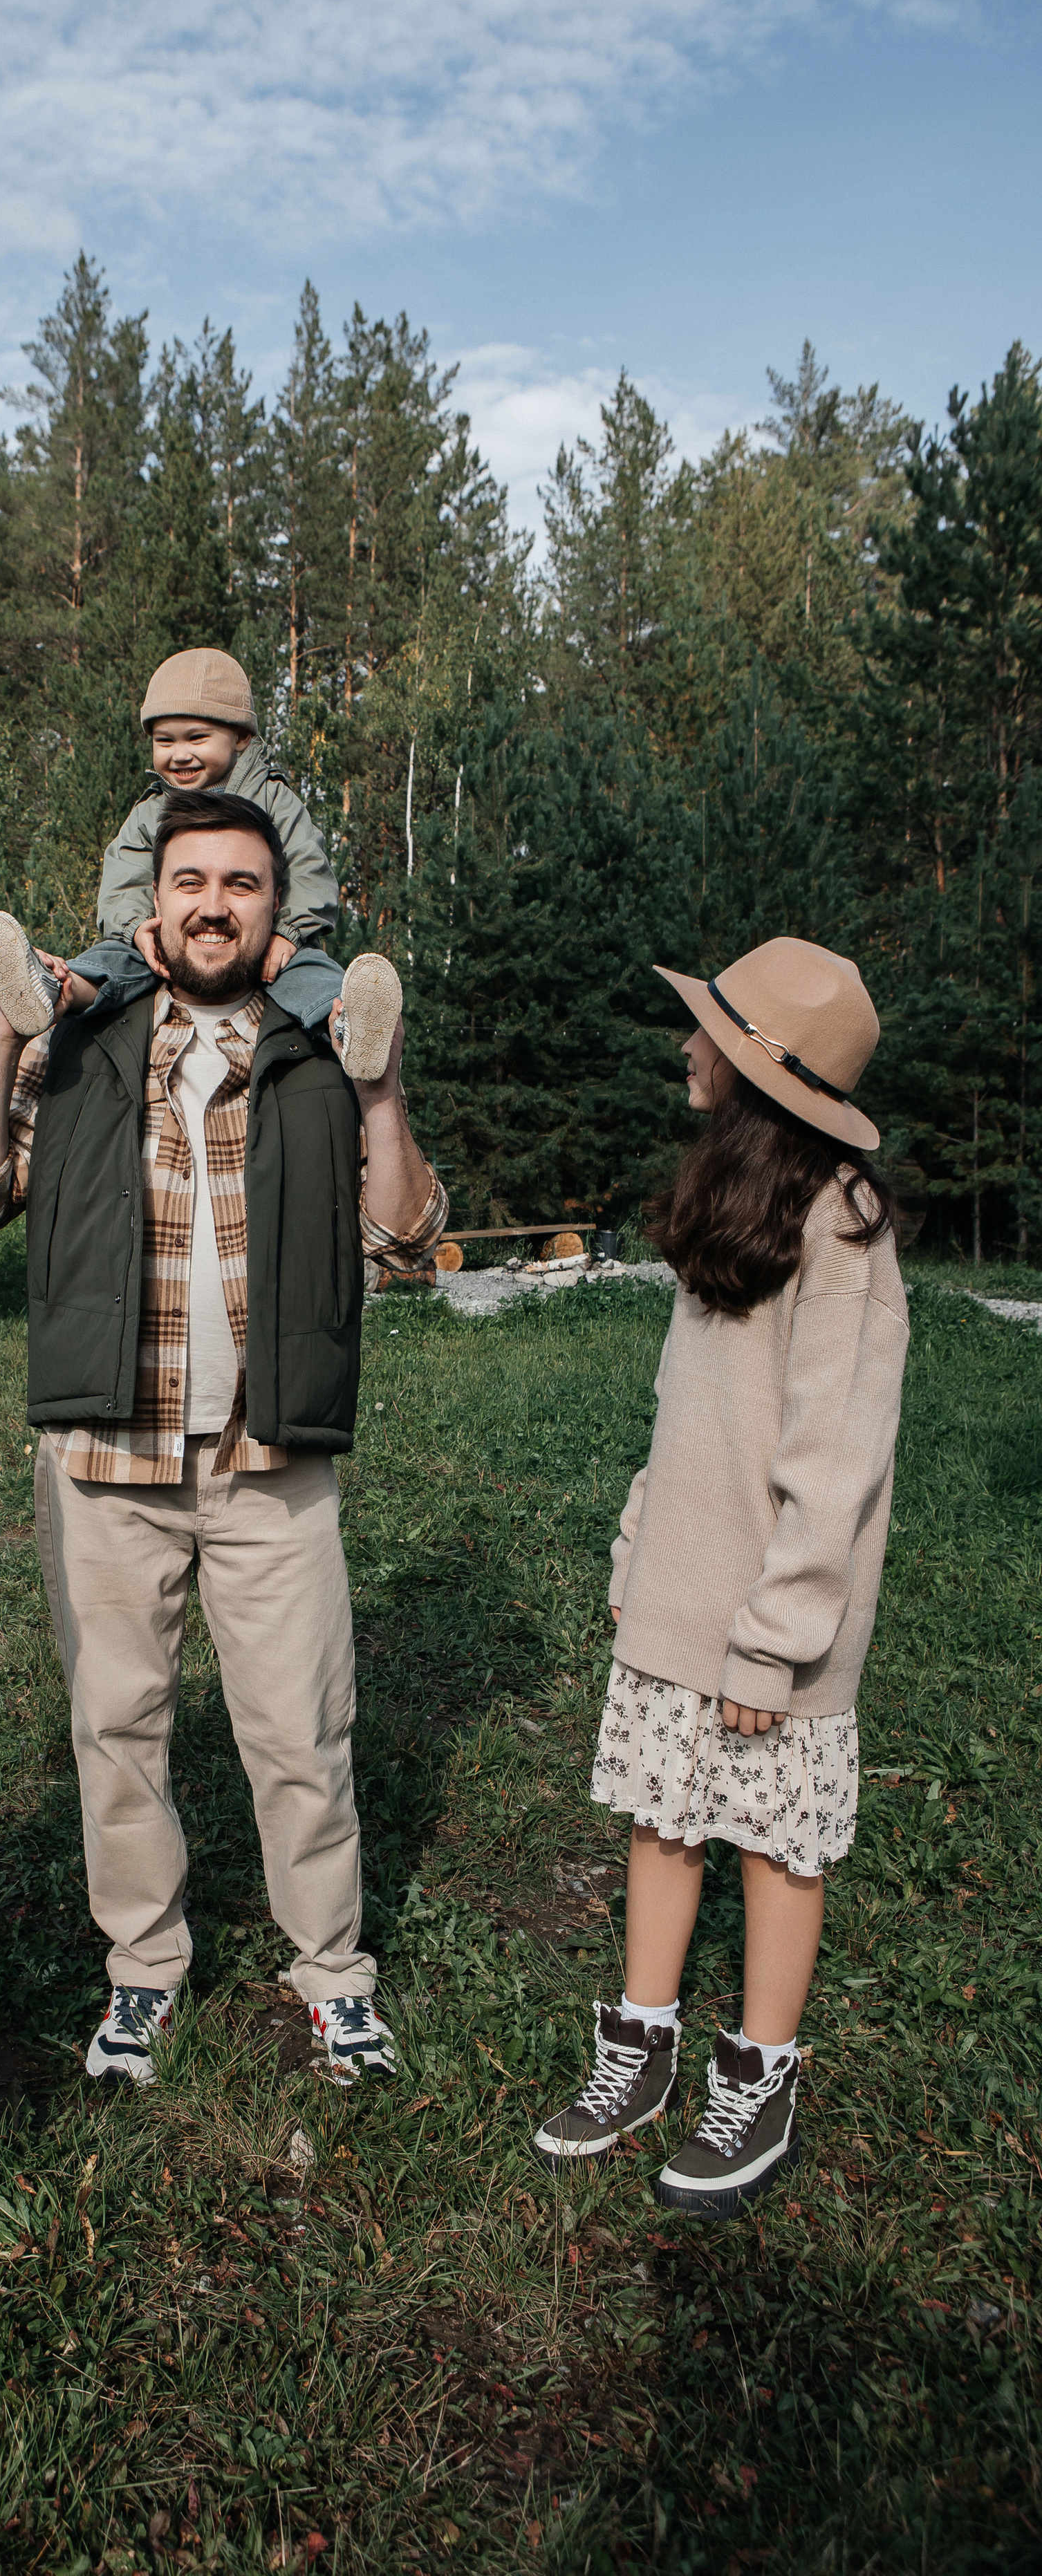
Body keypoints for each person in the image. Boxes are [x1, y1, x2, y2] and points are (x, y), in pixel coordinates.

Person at [0, 787, 447, 2085]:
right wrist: (5, 1040)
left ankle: (331, 1974)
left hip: (269, 1455)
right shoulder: (88, 1034)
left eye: (243, 884)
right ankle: (143, 1971)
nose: (214, 902)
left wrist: (378, 1093)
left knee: (300, 1732)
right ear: (150, 906)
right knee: (118, 1730)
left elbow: (408, 1237)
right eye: (191, 882)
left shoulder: (323, 1036)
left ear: (280, 912)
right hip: (105, 1454)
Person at [533, 937, 908, 2219]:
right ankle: (641, 2045)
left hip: (773, 1628)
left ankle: (761, 2070)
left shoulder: (843, 1229)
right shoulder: (729, 1201)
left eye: (707, 1032)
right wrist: (641, 1557)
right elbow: (681, 1421)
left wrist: (776, 1638)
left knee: (775, 1846)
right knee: (663, 1814)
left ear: (757, 1072)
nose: (684, 1047)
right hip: (682, 1601)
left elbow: (834, 1460)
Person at [0, 644, 404, 1081]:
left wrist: (290, 932)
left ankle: (350, 1026)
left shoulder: (274, 800)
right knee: (114, 959)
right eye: (165, 741)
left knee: (311, 972)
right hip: (171, 942)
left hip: (268, 942)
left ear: (241, 738)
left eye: (196, 738)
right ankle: (55, 989)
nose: (179, 755)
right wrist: (136, 927)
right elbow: (124, 876)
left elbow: (310, 869)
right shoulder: (151, 812)